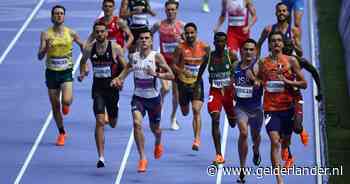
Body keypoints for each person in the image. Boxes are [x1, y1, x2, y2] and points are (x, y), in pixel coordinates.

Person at [111, 29, 175, 172]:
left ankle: (158, 142)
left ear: (151, 41)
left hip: (154, 100)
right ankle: (142, 158)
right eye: (142, 38)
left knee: (155, 129)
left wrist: (156, 74)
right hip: (138, 98)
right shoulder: (133, 57)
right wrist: (119, 78)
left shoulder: (156, 57)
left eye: (147, 38)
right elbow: (127, 68)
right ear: (138, 41)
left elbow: (171, 76)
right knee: (137, 124)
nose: (144, 40)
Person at [257, 31, 307, 184]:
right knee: (274, 141)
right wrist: (256, 84)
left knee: (285, 141)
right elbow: (258, 80)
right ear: (269, 44)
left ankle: (287, 148)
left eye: (279, 41)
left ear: (283, 44)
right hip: (270, 109)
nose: (276, 43)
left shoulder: (291, 61)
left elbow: (303, 84)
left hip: (288, 107)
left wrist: (287, 81)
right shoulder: (262, 63)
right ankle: (279, 179)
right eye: (273, 41)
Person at [78, 22, 126, 168]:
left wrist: (120, 79)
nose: (99, 34)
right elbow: (82, 61)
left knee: (112, 123)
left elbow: (125, 67)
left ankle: (114, 108)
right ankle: (101, 157)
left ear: (106, 33)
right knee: (99, 121)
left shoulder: (115, 48)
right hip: (98, 89)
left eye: (102, 32)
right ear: (94, 33)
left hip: (112, 90)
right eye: (97, 32)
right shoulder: (89, 48)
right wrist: (83, 73)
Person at [37, 5, 84, 146]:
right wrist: (46, 48)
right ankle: (62, 132)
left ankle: (66, 103)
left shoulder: (71, 33)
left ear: (64, 16)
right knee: (55, 105)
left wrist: (85, 63)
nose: (59, 15)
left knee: (67, 100)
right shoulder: (45, 34)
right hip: (51, 73)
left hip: (65, 72)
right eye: (56, 13)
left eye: (61, 13)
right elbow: (39, 56)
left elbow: (83, 46)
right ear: (52, 16)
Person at [87, 0, 134, 125]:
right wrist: (86, 52)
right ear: (102, 7)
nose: (108, 8)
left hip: (116, 56)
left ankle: (113, 103)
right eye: (106, 6)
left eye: (110, 6)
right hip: (104, 56)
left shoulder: (119, 22)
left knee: (117, 82)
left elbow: (131, 37)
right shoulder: (98, 23)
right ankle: (106, 110)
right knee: (104, 79)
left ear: (113, 8)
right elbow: (91, 38)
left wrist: (124, 48)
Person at [198, 32, 237, 164]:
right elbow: (200, 73)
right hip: (215, 93)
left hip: (229, 94)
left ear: (226, 43)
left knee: (233, 123)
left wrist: (232, 81)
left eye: (222, 42)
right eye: (217, 41)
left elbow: (238, 71)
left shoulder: (231, 55)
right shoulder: (208, 57)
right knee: (215, 119)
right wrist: (195, 86)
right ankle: (219, 154)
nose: (220, 44)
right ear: (214, 42)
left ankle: (233, 117)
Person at [172, 22, 210, 151]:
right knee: (185, 112)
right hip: (183, 84)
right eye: (187, 33)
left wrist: (199, 76)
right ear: (184, 34)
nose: (189, 35)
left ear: (196, 33)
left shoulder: (204, 47)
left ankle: (197, 139)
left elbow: (206, 62)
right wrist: (182, 72)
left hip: (196, 83)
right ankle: (184, 107)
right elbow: (173, 65)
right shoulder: (180, 48)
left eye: (192, 32)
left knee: (196, 110)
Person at [233, 39, 263, 183]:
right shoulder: (235, 66)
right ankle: (242, 169)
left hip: (256, 108)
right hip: (241, 107)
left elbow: (260, 84)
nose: (248, 52)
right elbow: (232, 85)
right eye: (246, 49)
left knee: (256, 136)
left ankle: (256, 150)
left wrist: (254, 80)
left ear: (255, 51)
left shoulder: (259, 66)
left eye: (252, 49)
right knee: (243, 133)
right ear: (241, 51)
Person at [151, 0, 184, 130]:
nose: (170, 12)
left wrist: (181, 40)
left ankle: (173, 118)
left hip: (176, 64)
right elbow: (148, 35)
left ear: (176, 11)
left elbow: (189, 43)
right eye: (168, 10)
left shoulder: (182, 26)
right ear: (165, 11)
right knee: (165, 88)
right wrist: (152, 52)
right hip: (163, 62)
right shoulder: (159, 25)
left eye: (173, 9)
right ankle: (159, 111)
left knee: (176, 95)